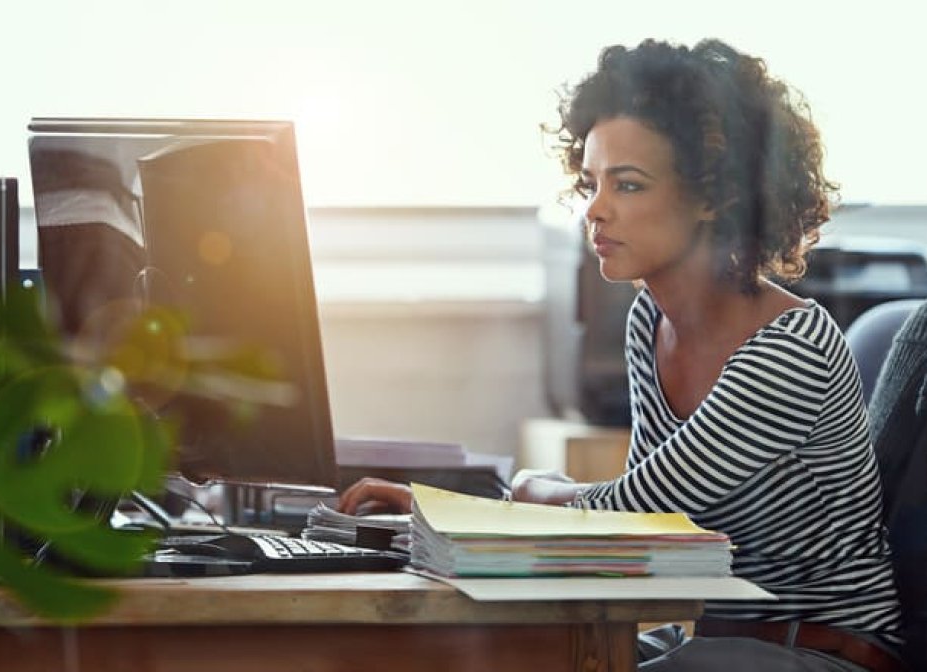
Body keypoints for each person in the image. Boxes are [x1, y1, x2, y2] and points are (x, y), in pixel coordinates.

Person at [338, 38, 907, 671]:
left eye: (628, 185)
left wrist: (482, 502)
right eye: (591, 184)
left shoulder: (791, 349)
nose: (595, 211)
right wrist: (458, 511)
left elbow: (634, 518)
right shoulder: (650, 321)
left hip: (825, 655)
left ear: (715, 196)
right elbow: (628, 522)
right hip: (714, 642)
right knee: (505, 656)